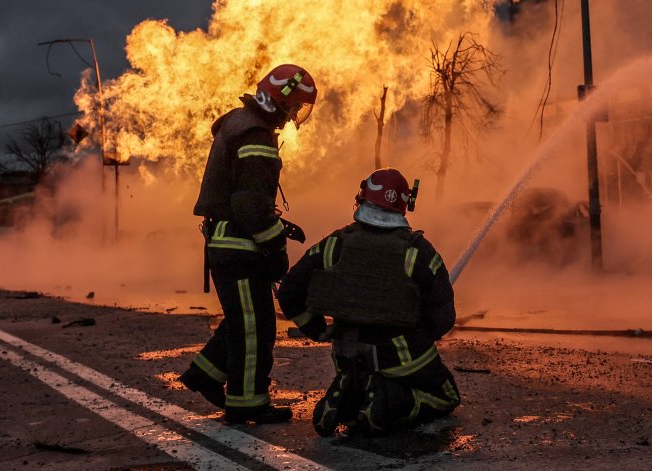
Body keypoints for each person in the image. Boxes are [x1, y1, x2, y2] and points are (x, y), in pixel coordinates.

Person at [179, 64, 318, 424]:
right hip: (241, 250)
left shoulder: (238, 122)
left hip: (229, 244)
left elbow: (240, 197)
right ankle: (248, 404)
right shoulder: (257, 136)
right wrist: (275, 247)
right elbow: (249, 205)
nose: (292, 117)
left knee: (245, 320)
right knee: (255, 327)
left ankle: (206, 375)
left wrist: (280, 227)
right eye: (294, 107)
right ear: (281, 101)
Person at [276, 168, 460, 436]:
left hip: (347, 351)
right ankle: (387, 399)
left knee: (363, 378)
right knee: (445, 396)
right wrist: (420, 337)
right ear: (404, 204)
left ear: (362, 198)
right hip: (401, 354)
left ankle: (349, 395)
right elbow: (443, 315)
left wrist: (316, 329)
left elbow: (290, 291)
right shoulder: (418, 250)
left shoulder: (336, 244)